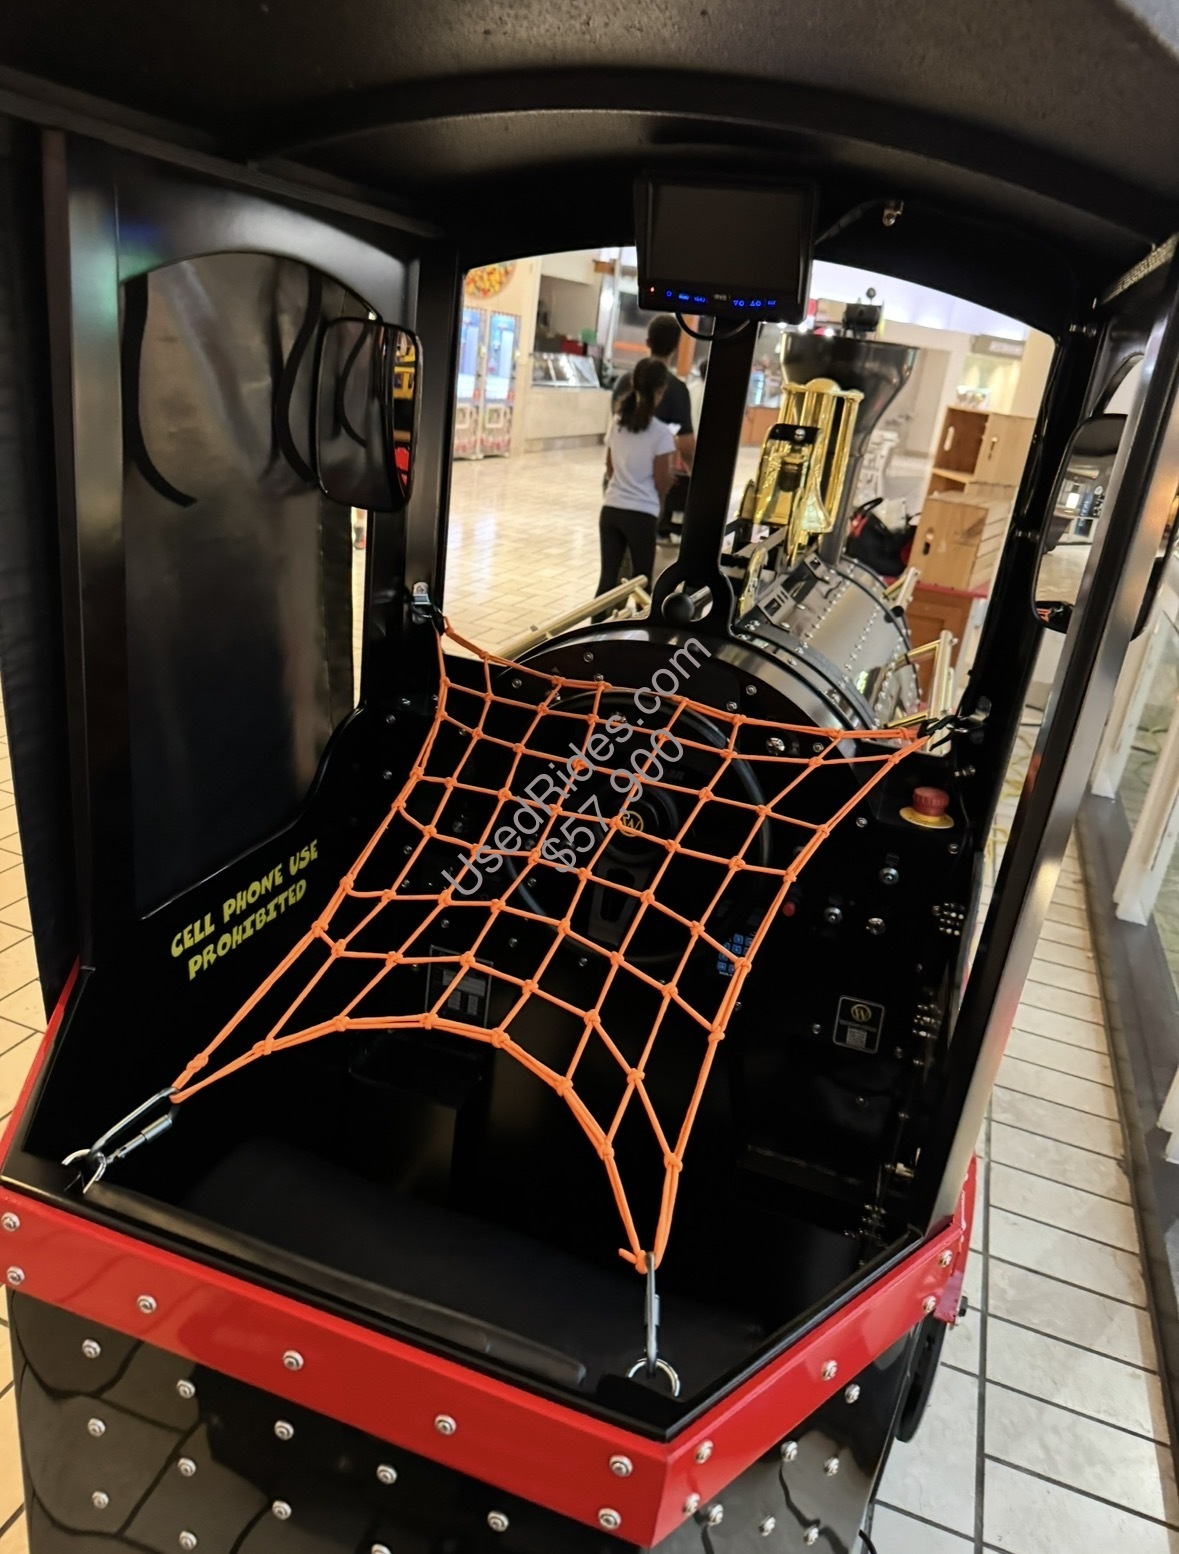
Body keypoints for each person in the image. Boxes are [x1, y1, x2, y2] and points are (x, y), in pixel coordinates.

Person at [595, 357, 676, 614]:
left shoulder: (618, 422)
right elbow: (661, 481)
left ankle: (596, 628)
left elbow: (610, 469)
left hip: (611, 510)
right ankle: (642, 631)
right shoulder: (661, 433)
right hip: (642, 515)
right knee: (642, 583)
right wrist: (669, 482)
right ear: (660, 391)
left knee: (608, 581)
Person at [612, 314, 695, 536]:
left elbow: (614, 437)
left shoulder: (623, 382)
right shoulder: (676, 389)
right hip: (649, 490)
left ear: (647, 341)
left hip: (617, 486)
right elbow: (687, 446)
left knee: (617, 550)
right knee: (642, 550)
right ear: (676, 347)